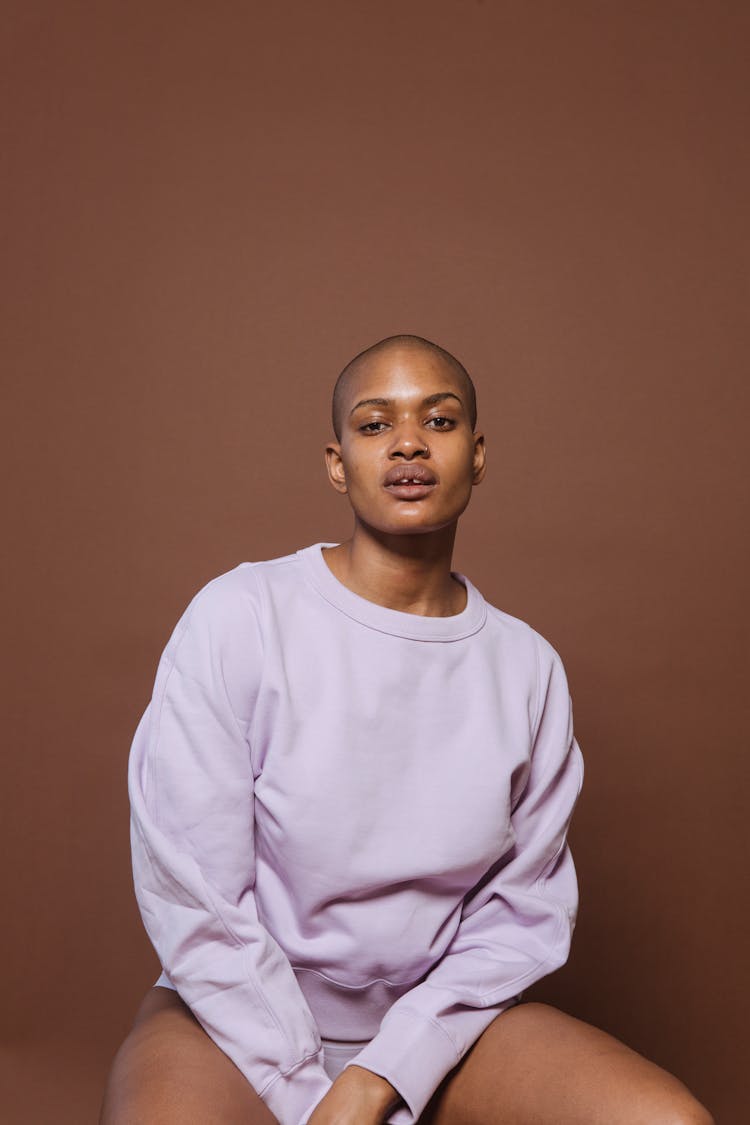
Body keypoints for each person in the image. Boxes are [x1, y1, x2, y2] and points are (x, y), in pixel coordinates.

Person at [100, 335, 713, 1125]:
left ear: (478, 454)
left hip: (440, 1029)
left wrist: (383, 1074)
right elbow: (196, 891)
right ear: (336, 462)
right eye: (374, 424)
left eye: (441, 419)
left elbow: (520, 918)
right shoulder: (241, 617)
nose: (409, 443)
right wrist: (310, 1092)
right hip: (231, 1021)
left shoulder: (527, 669)